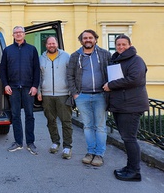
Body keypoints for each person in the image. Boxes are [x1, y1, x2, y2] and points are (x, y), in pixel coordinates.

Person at [103, 35, 149, 182]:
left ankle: (135, 172)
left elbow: (135, 79)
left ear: (130, 45)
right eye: (118, 44)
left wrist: (111, 85)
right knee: (126, 138)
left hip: (131, 106)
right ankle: (129, 167)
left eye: (124, 44)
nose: (121, 47)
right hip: (121, 105)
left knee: (130, 139)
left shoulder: (136, 60)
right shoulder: (116, 60)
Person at [67, 29, 111, 167]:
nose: (88, 40)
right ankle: (90, 152)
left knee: (100, 126)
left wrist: (110, 86)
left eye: (90, 37)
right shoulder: (75, 56)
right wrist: (75, 93)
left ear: (95, 39)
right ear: (81, 41)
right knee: (87, 126)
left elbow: (112, 72)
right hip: (82, 96)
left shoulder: (105, 54)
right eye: (85, 38)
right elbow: (70, 76)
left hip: (101, 95)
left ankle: (99, 154)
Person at [0, 26, 40, 154]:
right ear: (13, 35)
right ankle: (18, 142)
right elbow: (3, 70)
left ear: (24, 34)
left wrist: (35, 86)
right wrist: (6, 85)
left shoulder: (32, 50)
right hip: (13, 88)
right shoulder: (7, 50)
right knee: (16, 115)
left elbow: (36, 69)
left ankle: (30, 142)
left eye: (20, 32)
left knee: (29, 115)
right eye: (16, 33)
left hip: (28, 88)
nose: (18, 34)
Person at [37, 36, 73, 159]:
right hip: (47, 95)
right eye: (49, 43)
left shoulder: (66, 56)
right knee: (50, 120)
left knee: (66, 121)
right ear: (46, 45)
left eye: (53, 43)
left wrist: (71, 90)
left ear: (57, 44)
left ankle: (67, 146)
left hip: (63, 94)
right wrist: (39, 91)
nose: (51, 45)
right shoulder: (41, 58)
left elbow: (71, 74)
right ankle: (55, 142)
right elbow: (39, 76)